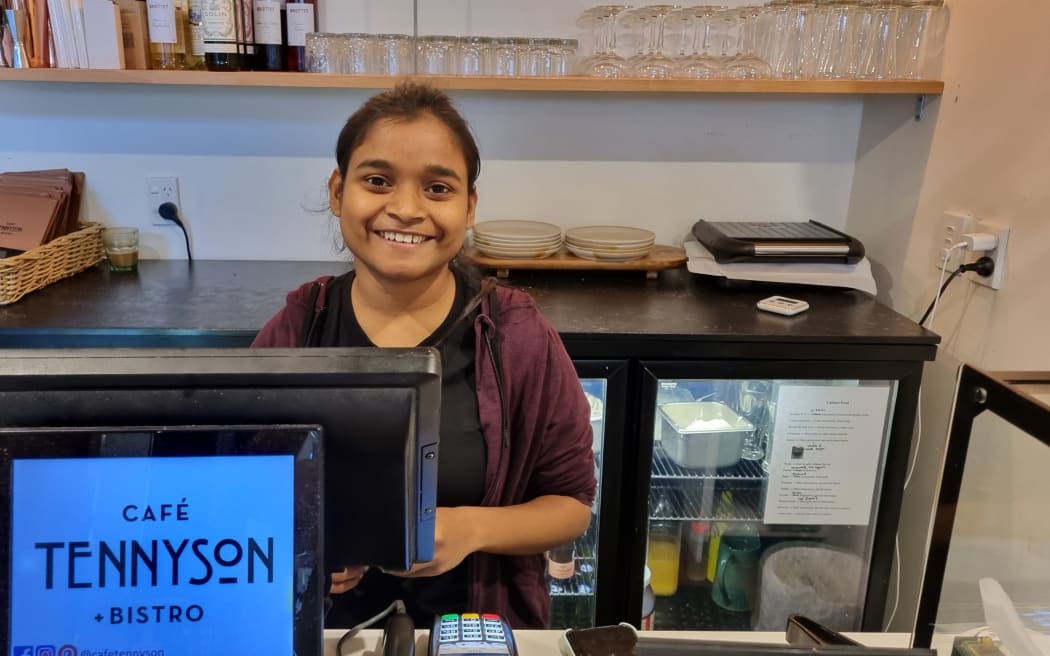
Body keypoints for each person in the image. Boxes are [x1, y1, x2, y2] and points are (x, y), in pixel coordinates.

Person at [251, 81, 596, 629]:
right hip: (324, 632)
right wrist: (299, 543)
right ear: (339, 192)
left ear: (469, 206)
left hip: (477, 631)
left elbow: (572, 504)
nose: (406, 209)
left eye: (438, 187)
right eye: (378, 180)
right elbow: (238, 485)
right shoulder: (300, 325)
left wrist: (469, 529)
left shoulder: (517, 336)